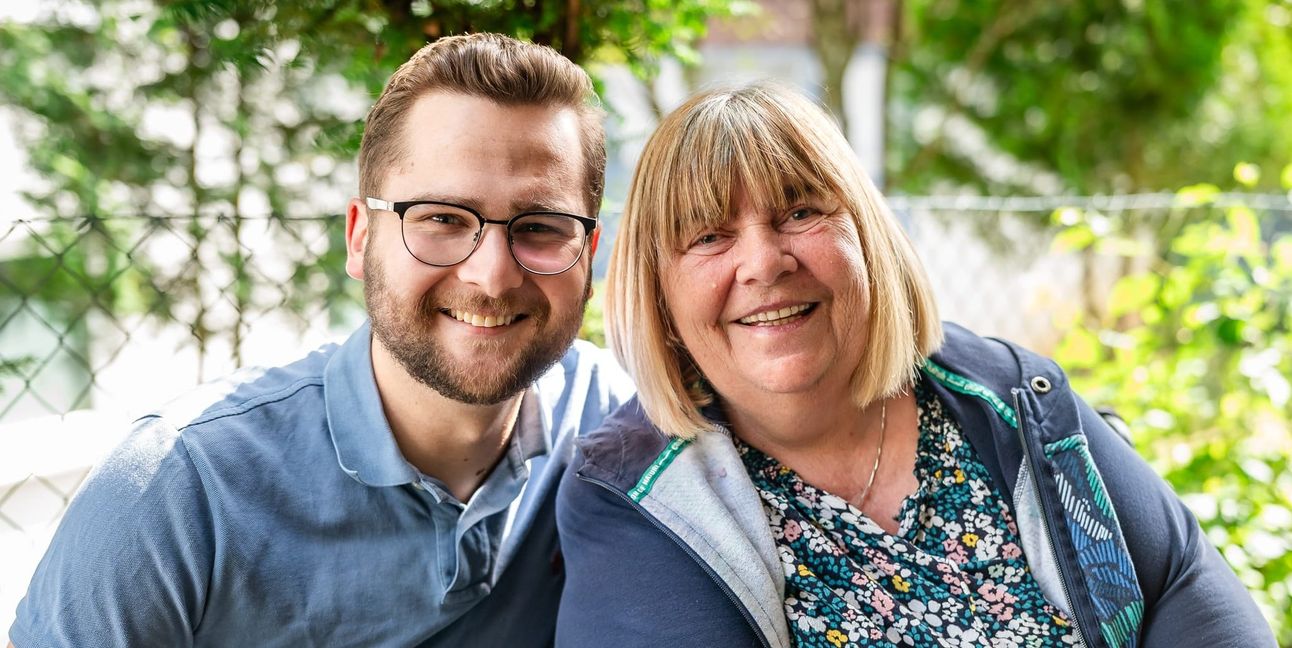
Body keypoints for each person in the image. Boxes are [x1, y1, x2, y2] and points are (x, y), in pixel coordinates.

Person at [556, 83, 1274, 648]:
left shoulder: (1008, 396)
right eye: (709, 235)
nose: (765, 262)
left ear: (865, 234)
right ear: (659, 287)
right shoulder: (633, 495)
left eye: (800, 212)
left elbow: (1181, 583)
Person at [8, 33, 633, 648]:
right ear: (360, 238)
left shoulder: (613, 424)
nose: (492, 274)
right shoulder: (179, 491)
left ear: (589, 252)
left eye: (541, 227)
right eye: (442, 218)